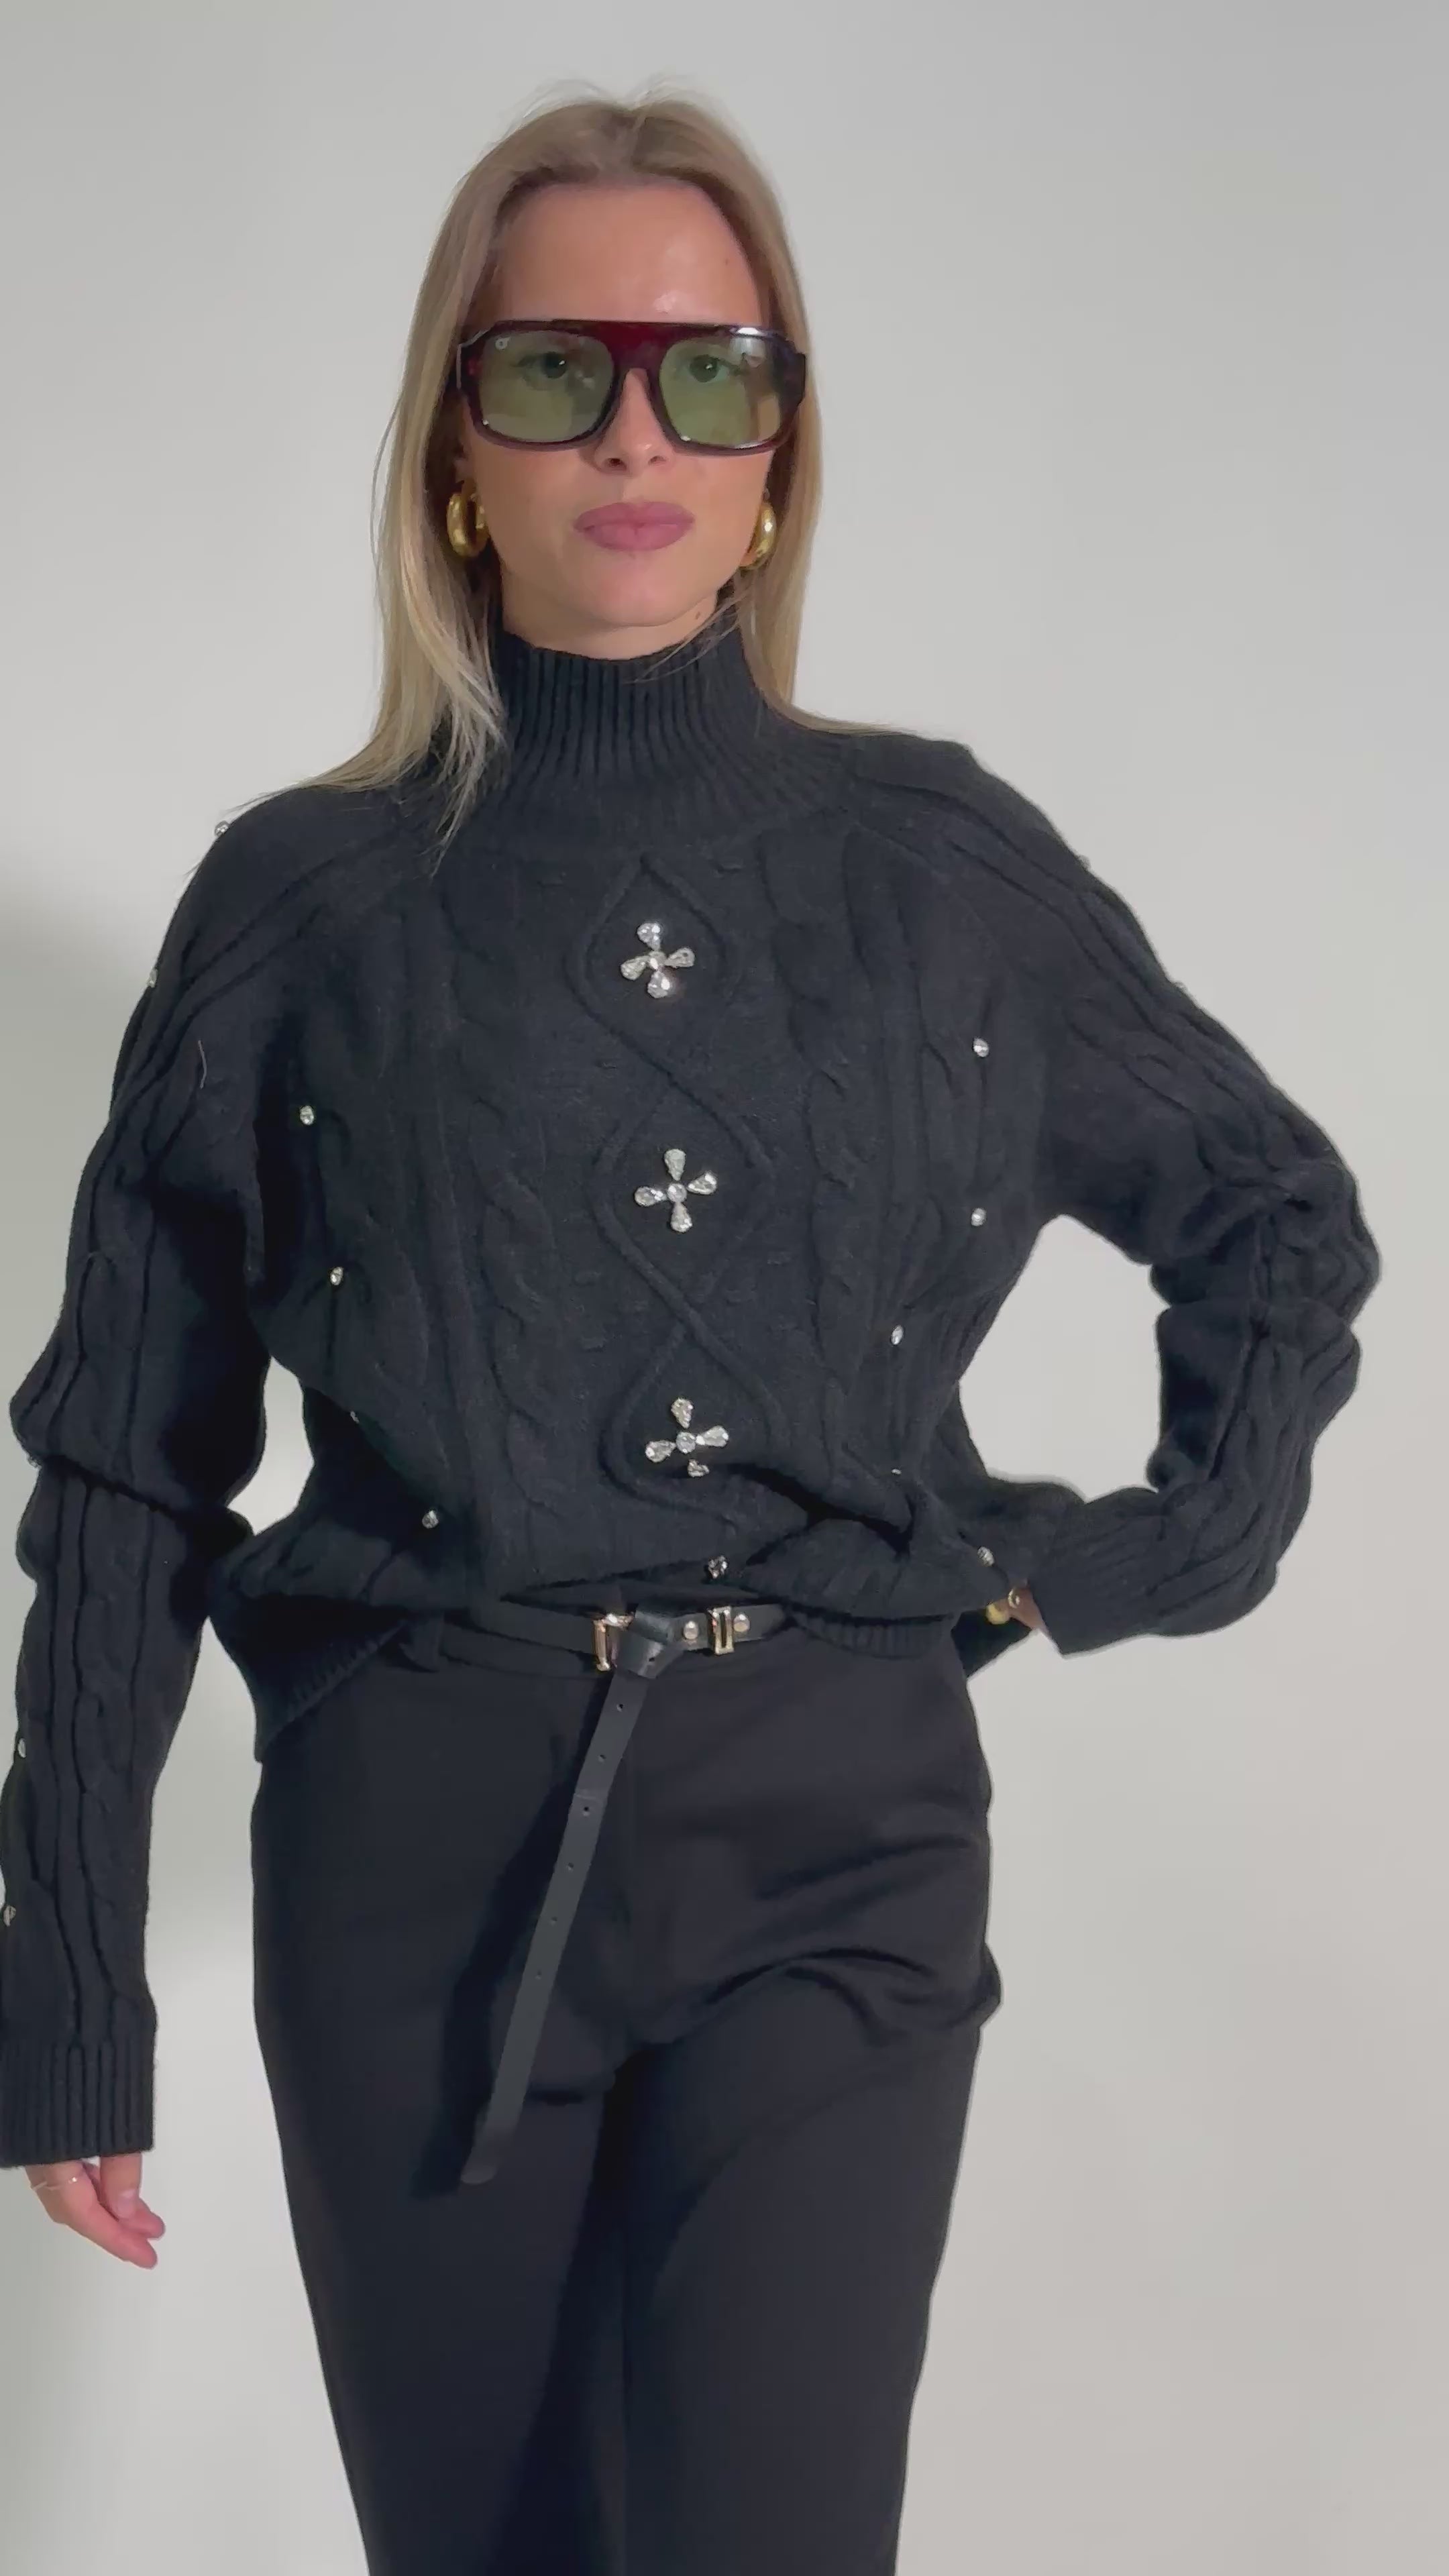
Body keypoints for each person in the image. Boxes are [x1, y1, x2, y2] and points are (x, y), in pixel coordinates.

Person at [1, 87, 1379, 2576]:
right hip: (414, 1843)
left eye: (710, 376)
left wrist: (1123, 1559)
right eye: (556, 372)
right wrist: (72, 1988)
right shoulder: (304, 906)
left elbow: (1274, 1217)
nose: (635, 434)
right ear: (456, 454)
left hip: (835, 1822)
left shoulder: (936, 866)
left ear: (776, 460)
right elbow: (124, 1470)